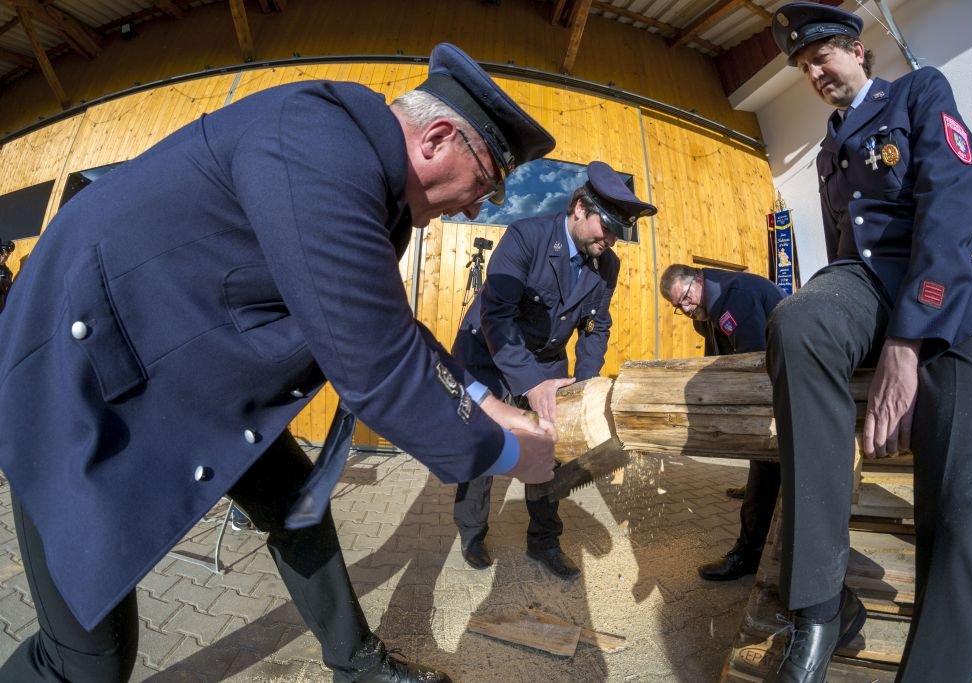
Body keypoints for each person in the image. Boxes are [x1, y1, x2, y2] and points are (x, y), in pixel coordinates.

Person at [0, 43, 561, 683]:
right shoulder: (317, 142)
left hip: (187, 373)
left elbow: (387, 326)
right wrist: (510, 455)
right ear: (436, 138)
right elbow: (377, 367)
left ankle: (356, 665)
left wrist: (484, 402)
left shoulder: (361, 180)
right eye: (485, 186)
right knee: (86, 662)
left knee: (301, 505)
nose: (475, 209)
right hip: (79, 378)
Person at [765, 5, 972, 683]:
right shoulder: (826, 152)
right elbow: (849, 252)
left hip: (950, 288)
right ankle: (820, 605)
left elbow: (954, 199)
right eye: (802, 66)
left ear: (855, 48)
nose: (813, 72)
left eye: (821, 56)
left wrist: (907, 342)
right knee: (798, 319)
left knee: (964, 512)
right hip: (865, 286)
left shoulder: (919, 91)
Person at [451, 161, 656, 578]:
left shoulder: (607, 265)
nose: (613, 240)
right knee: (484, 446)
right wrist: (533, 384)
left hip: (546, 359)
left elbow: (596, 326)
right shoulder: (527, 236)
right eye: (608, 226)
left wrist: (583, 388)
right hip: (488, 353)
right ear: (579, 207)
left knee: (550, 454)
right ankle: (472, 534)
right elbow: (498, 318)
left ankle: (544, 541)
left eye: (621, 232)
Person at [659, 264, 784, 582]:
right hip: (777, 383)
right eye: (678, 307)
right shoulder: (715, 300)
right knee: (765, 466)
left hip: (783, 387)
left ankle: (748, 554)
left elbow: (753, 365)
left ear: (697, 280)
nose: (685, 309)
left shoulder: (734, 299)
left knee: (767, 467)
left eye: (685, 298)